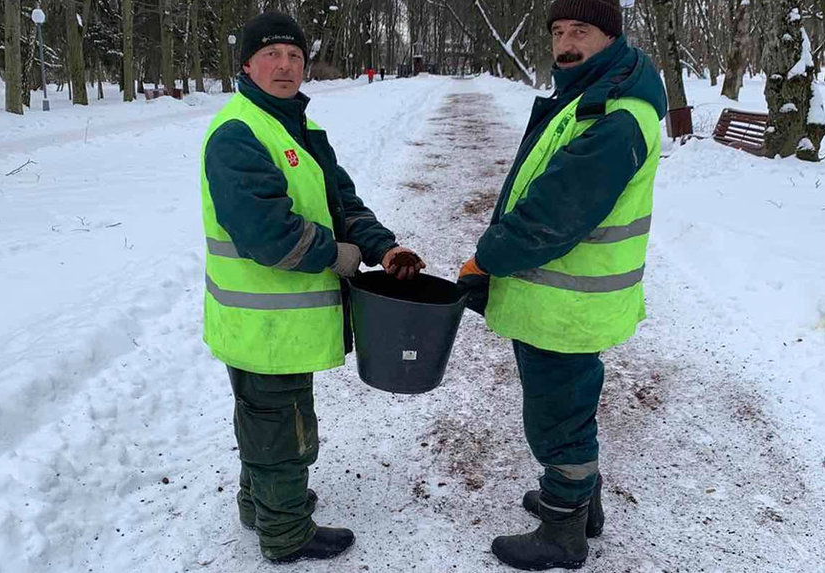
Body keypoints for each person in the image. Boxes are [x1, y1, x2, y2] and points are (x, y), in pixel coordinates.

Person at [200, 11, 424, 565]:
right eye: (271, 55)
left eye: (294, 56)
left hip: (284, 324)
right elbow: (267, 234)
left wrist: (383, 247)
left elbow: (342, 204)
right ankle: (286, 533)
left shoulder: (296, 128)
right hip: (265, 322)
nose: (285, 65)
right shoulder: (238, 134)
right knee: (283, 430)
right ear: (247, 65)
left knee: (266, 419)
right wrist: (341, 256)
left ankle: (261, 504)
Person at [458, 0, 667, 570]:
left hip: (566, 306)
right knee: (569, 410)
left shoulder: (616, 114)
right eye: (558, 31)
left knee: (556, 422)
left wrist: (485, 259)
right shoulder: (586, 97)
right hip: (557, 301)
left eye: (582, 30)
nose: (567, 42)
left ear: (612, 37)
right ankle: (582, 505)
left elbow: (553, 215)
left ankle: (562, 533)